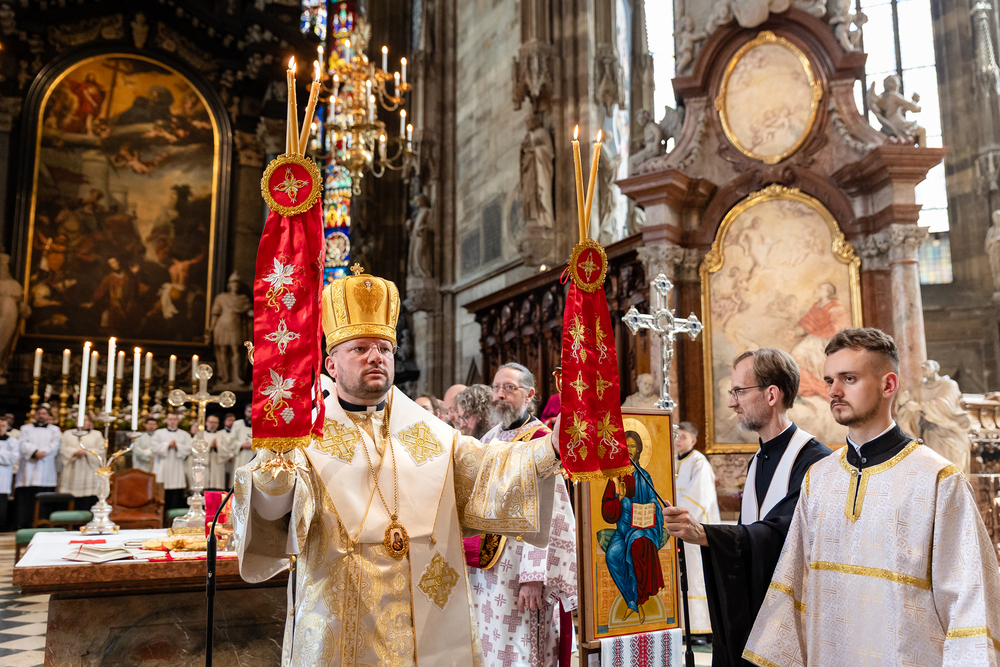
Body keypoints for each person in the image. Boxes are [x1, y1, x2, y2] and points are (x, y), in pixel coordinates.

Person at [233, 269, 565, 666]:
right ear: (331, 365)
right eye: (360, 348)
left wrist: (551, 447)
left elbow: (487, 469)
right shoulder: (307, 437)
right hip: (342, 625)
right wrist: (275, 455)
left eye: (384, 348)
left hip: (425, 623)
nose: (376, 356)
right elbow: (273, 518)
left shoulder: (428, 433)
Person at [744, 328, 1000, 666]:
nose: (833, 391)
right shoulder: (818, 479)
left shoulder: (938, 480)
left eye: (848, 378)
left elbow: (970, 601)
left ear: (888, 385)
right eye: (830, 380)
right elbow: (792, 590)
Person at [663, 348, 831, 666]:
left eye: (738, 391)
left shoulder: (815, 462)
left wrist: (706, 535)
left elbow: (783, 534)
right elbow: (749, 538)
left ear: (771, 395)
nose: (731, 403)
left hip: (795, 629)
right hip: (757, 618)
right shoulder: (757, 460)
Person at [468, 363, 577, 667]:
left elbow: (552, 512)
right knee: (487, 642)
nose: (500, 395)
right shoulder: (489, 439)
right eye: (496, 387)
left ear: (529, 394)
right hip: (485, 567)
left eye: (509, 388)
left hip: (519, 569)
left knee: (520, 645)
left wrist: (534, 577)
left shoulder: (541, 441)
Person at [673, 421, 720, 642]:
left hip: (696, 527)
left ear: (693, 440)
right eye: (676, 435)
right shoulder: (673, 461)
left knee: (697, 575)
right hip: (678, 527)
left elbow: (699, 497)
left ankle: (702, 629)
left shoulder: (699, 462)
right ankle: (685, 626)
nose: (678, 440)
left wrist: (679, 519)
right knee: (683, 577)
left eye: (683, 436)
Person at [14, 406, 62, 528]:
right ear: (35, 415)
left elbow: (55, 445)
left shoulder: (54, 429)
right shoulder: (25, 428)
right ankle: (25, 523)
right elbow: (22, 443)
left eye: (44, 413)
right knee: (28, 497)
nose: (41, 416)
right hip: (28, 470)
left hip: (46, 468)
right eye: (39, 413)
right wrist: (34, 452)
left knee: (45, 498)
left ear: (48, 416)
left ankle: (44, 523)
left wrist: (43, 452)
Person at [58, 414, 105, 512]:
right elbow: (62, 449)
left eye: (85, 420)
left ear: (90, 422)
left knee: (88, 499)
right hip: (72, 470)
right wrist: (74, 452)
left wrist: (86, 453)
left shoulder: (96, 434)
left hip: (89, 470)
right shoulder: (67, 434)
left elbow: (101, 450)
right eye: (79, 420)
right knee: (70, 499)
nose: (82, 422)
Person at [151, 411, 193, 512]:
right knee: (163, 493)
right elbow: (154, 448)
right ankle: (162, 514)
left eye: (174, 419)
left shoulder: (184, 434)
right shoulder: (158, 433)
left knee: (176, 493)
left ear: (178, 420)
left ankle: (174, 514)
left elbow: (189, 449)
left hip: (177, 466)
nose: (172, 421)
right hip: (162, 466)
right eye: (170, 419)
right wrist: (167, 445)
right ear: (167, 420)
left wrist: (177, 446)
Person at [190, 414, 232, 491]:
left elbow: (228, 452)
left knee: (216, 490)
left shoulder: (222, 435)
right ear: (206, 423)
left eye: (215, 422)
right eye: (211, 422)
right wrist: (209, 447)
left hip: (217, 467)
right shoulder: (200, 435)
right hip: (204, 466)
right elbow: (194, 450)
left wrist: (217, 447)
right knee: (203, 488)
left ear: (218, 424)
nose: (213, 424)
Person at [0, 417, 20, 529]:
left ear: (7, 427)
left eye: (3, 426)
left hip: (3, 477)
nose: (0, 428)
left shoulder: (12, 441)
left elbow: (12, 458)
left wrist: (1, 451)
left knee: (2, 503)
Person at [230, 403, 254, 470]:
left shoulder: (259, 424)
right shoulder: (237, 424)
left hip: (253, 454)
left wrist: (253, 445)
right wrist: (241, 445)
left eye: (253, 411)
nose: (251, 414)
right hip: (241, 455)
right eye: (249, 411)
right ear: (245, 412)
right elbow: (232, 440)